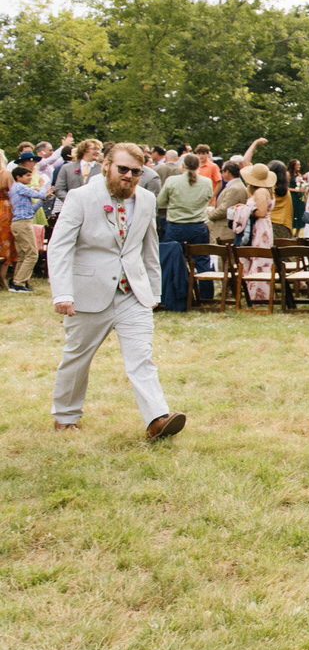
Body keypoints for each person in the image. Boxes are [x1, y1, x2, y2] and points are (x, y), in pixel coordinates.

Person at [48, 142, 187, 439]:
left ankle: (157, 420)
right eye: (123, 169)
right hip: (88, 292)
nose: (129, 176)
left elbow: (150, 248)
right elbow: (59, 247)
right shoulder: (80, 197)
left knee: (142, 358)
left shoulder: (148, 199)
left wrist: (153, 293)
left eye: (136, 172)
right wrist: (62, 293)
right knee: (77, 357)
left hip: (132, 294)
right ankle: (65, 416)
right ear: (107, 165)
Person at [158, 152, 214, 296]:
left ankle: (172, 294)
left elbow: (161, 201)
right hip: (197, 226)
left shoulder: (172, 181)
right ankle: (206, 295)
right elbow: (208, 198)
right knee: (202, 261)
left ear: (182, 165)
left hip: (176, 226)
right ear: (198, 166)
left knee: (171, 260)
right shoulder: (206, 182)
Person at [8, 154, 50, 292]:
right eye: (27, 176)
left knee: (23, 254)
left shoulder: (17, 189)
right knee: (32, 253)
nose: (30, 178)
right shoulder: (20, 187)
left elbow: (30, 209)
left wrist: (42, 201)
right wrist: (42, 186)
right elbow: (40, 194)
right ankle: (19, 283)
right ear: (18, 177)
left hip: (21, 221)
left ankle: (16, 281)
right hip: (23, 223)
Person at [237, 164, 276, 301]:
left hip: (259, 228)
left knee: (259, 258)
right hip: (261, 226)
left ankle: (259, 294)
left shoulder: (260, 192)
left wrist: (245, 211)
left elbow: (261, 212)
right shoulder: (266, 191)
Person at [0, 168, 18, 290]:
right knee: (6, 243)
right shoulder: (5, 174)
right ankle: (3, 277)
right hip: (4, 210)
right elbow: (14, 192)